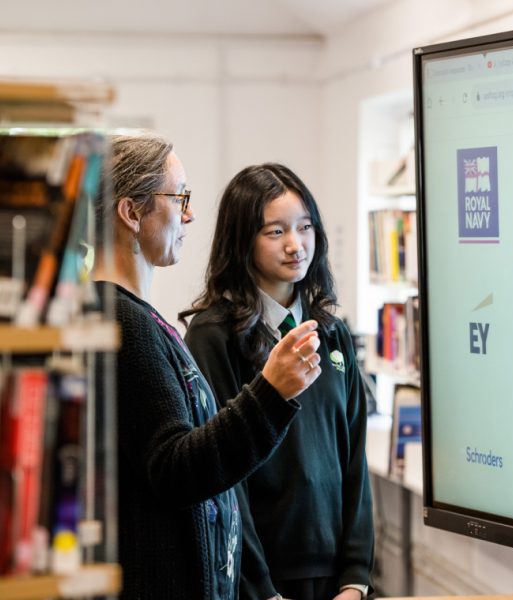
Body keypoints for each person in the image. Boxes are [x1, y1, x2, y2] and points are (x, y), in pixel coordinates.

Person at [90, 135, 322, 600]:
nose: (190, 215)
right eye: (180, 198)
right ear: (131, 213)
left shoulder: (134, 318)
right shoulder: (122, 324)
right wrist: (270, 394)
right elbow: (176, 469)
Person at [181, 163, 374, 600]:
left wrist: (356, 578)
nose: (295, 244)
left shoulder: (332, 333)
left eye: (305, 227)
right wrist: (261, 589)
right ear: (242, 240)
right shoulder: (213, 336)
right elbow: (223, 475)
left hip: (335, 579)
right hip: (260, 580)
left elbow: (355, 459)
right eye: (275, 232)